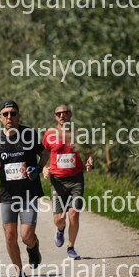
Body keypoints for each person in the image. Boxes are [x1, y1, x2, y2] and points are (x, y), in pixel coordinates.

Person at [0, 100, 49, 277]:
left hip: (29, 193)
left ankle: (33, 246)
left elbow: (45, 153)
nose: (9, 117)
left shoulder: (28, 134)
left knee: (26, 235)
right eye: (5, 114)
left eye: (13, 113)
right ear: (0, 117)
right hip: (7, 195)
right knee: (10, 236)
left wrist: (38, 168)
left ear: (18, 115)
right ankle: (20, 274)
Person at [42, 105, 94, 260]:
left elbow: (88, 152)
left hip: (76, 179)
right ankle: (60, 230)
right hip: (57, 181)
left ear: (70, 114)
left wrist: (89, 161)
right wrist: (43, 168)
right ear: (55, 116)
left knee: (74, 214)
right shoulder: (50, 134)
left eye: (65, 113)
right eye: (58, 113)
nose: (62, 116)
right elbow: (44, 154)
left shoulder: (79, 133)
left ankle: (71, 247)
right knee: (59, 219)